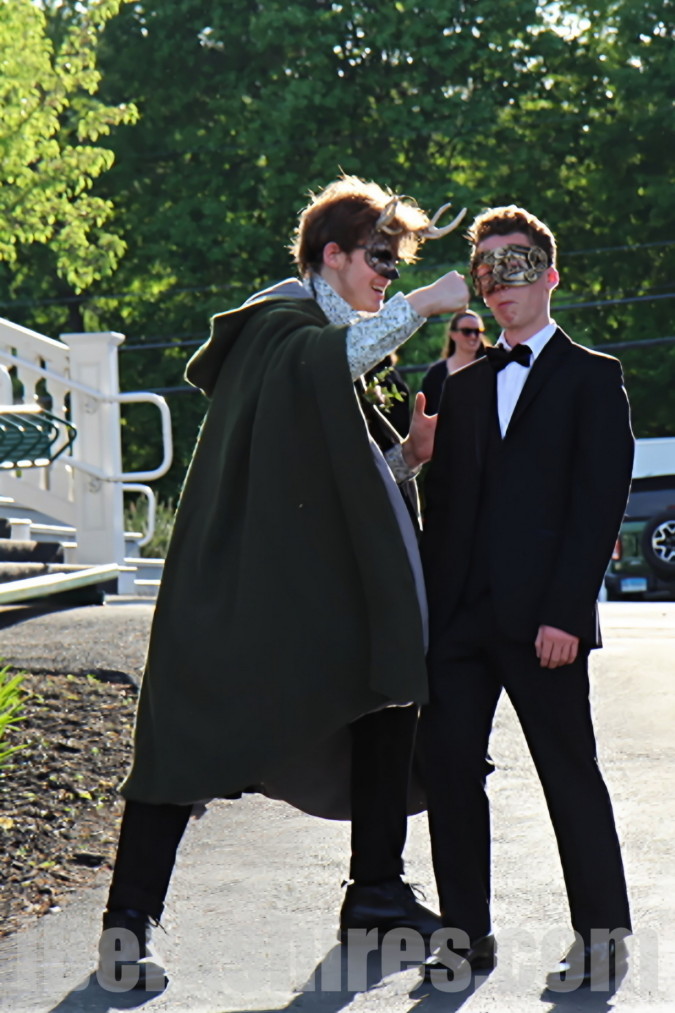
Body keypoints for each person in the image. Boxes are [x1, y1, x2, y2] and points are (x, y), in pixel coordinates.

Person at [97, 175, 470, 990]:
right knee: (183, 743)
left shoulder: (317, 339)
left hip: (297, 596)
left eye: (397, 264)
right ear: (330, 255)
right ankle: (127, 926)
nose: (388, 275)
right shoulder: (282, 328)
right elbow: (320, 366)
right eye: (379, 259)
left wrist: (406, 457)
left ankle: (375, 891)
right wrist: (424, 304)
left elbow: (327, 473)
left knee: (386, 695)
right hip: (238, 597)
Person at [418, 205, 633, 989]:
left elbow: (597, 503)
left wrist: (566, 613)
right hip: (458, 620)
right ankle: (463, 934)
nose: (498, 282)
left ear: (549, 275)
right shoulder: (457, 381)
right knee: (448, 772)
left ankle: (602, 936)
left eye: (514, 265)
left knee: (567, 772)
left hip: (544, 620)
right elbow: (441, 502)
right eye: (485, 269)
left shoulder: (592, 377)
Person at [420, 310, 488, 414]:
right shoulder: (436, 374)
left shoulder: (492, 368)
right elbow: (428, 413)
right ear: (452, 334)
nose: (473, 336)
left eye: (478, 331)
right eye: (467, 331)